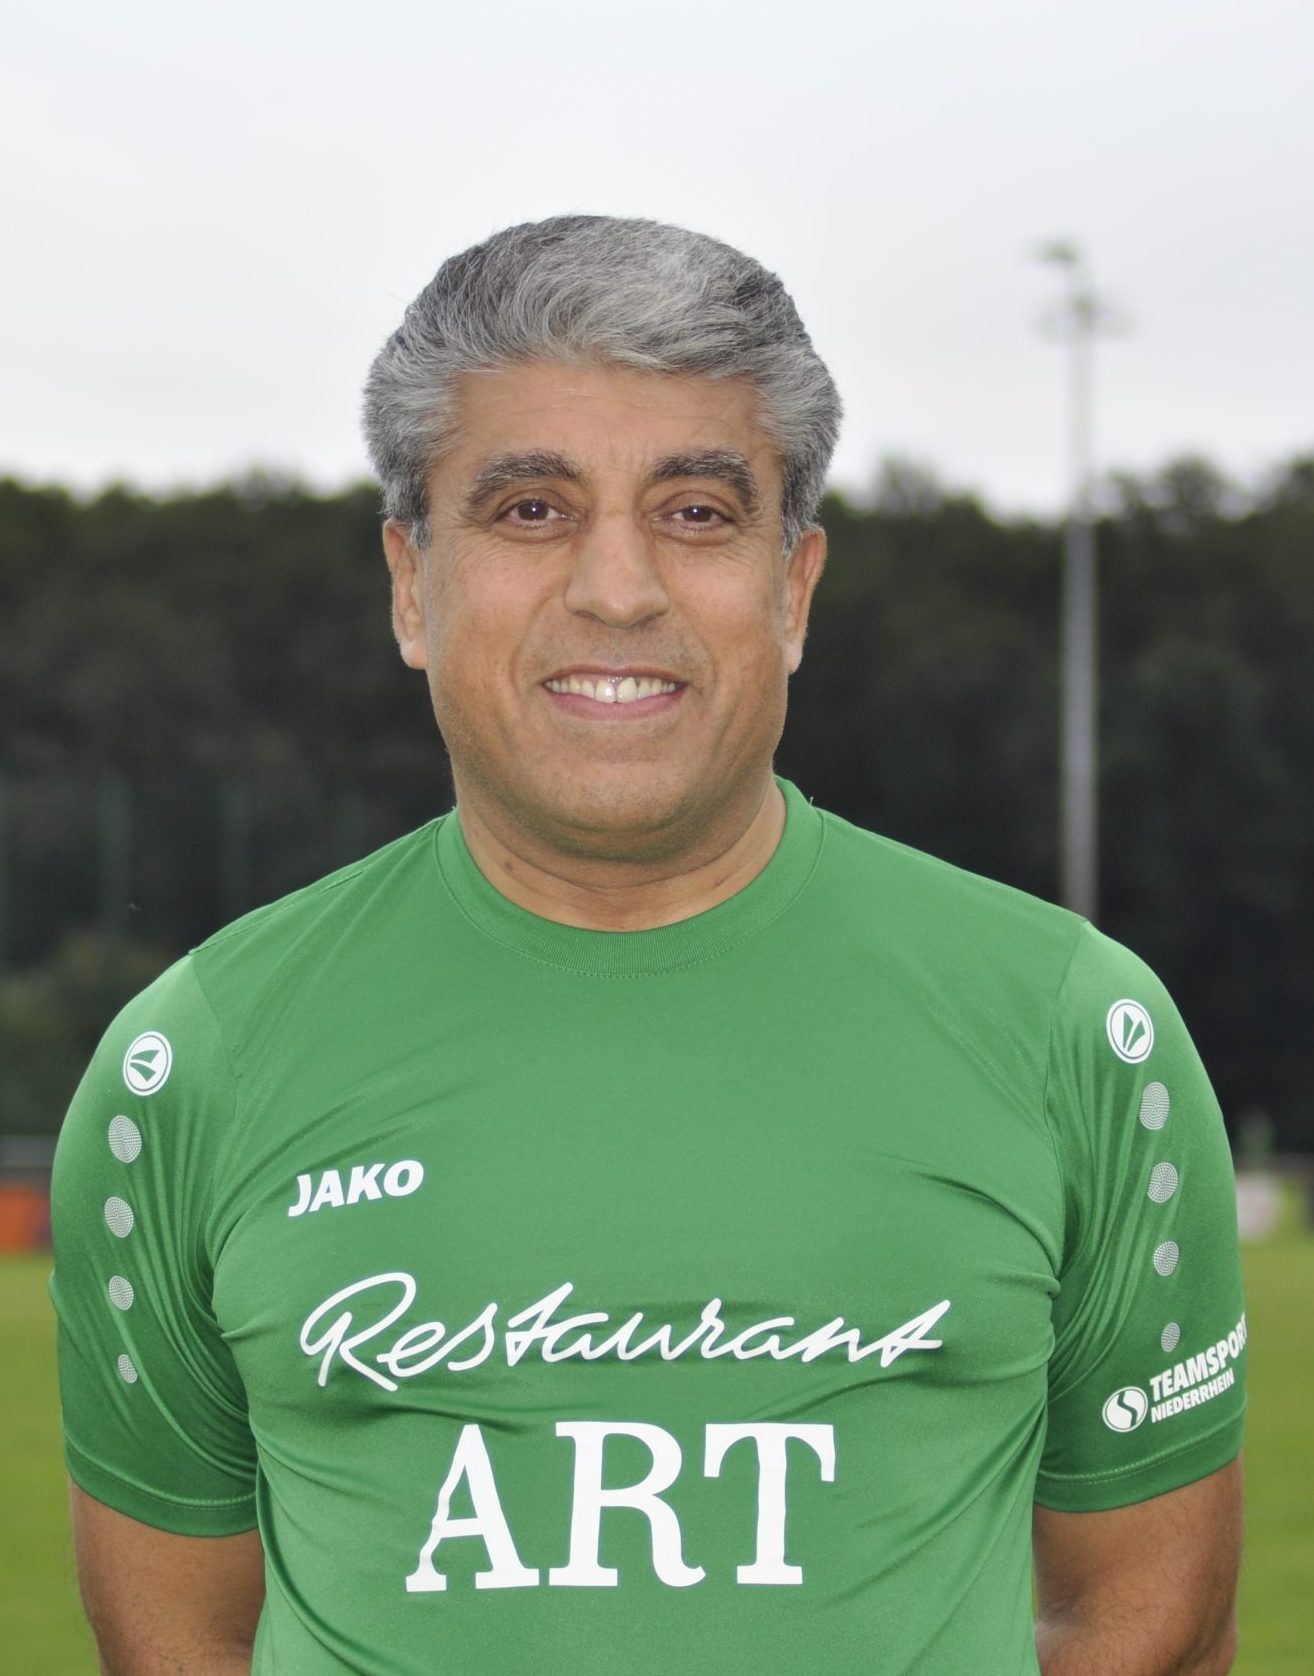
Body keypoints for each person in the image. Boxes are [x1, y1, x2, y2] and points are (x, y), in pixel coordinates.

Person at [50, 215, 1245, 1675]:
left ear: (793, 589)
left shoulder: (1071, 1026)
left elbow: (1154, 1619)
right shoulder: (195, 1063)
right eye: (529, 509)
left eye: (693, 512)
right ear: (410, 586)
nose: (617, 590)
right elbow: (171, 1639)